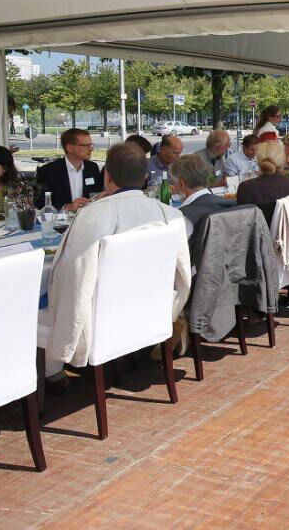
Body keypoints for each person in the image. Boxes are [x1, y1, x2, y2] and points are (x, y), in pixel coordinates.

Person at [42, 142, 192, 393]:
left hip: (102, 317)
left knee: (47, 296)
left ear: (107, 175)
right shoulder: (169, 215)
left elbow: (75, 277)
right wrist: (172, 309)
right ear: (145, 177)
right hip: (148, 310)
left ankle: (51, 372)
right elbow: (183, 275)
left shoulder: (93, 215)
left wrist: (70, 342)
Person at [236, 140, 289, 225]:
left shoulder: (246, 187)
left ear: (258, 160)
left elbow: (242, 224)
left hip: (257, 237)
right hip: (287, 236)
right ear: (283, 159)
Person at [36, 128, 103, 211]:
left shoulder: (92, 168)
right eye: (85, 145)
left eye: (91, 145)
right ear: (69, 148)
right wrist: (67, 207)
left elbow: (96, 193)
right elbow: (40, 204)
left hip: (87, 218)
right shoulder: (48, 171)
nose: (91, 149)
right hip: (60, 221)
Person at [170, 153, 234, 238]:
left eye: (173, 182)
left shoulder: (184, 217)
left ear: (182, 183)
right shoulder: (230, 204)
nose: (173, 186)